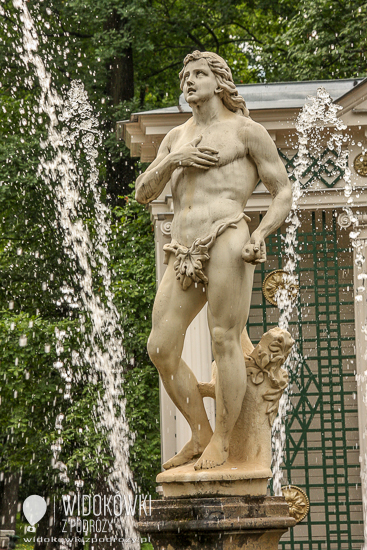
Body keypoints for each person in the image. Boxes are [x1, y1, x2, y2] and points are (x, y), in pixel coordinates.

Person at [135, 50, 292, 470]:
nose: (189, 81)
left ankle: (222, 441)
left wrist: (260, 233)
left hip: (227, 237)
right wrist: (173, 160)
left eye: (199, 73)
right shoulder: (176, 138)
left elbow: (283, 191)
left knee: (224, 337)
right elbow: (143, 193)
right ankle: (200, 434)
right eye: (185, 75)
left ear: (218, 82)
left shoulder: (245, 131)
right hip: (182, 250)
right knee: (160, 347)